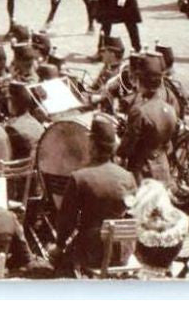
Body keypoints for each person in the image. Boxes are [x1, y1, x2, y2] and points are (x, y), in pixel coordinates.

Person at [52, 115, 136, 275]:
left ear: (92, 146)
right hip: (122, 252)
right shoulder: (128, 177)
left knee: (59, 265)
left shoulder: (80, 177)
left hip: (93, 252)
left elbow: (66, 220)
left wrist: (59, 245)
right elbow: (133, 214)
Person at [117, 52, 177, 186]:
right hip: (162, 167)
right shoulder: (169, 108)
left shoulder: (139, 110)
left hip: (142, 171)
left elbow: (128, 145)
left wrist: (119, 154)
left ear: (139, 80)